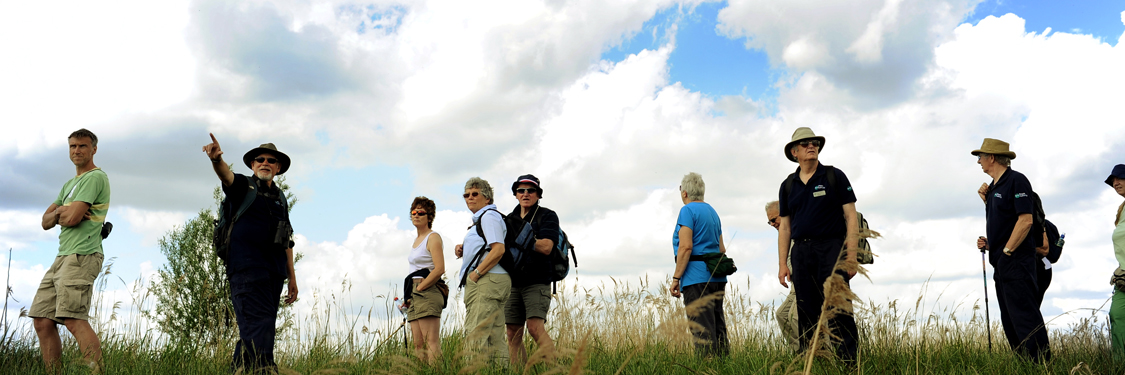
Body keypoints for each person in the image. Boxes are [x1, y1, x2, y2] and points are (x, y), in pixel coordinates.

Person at [203, 134, 299, 372]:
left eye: (270, 160)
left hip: (274, 274)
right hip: (246, 269)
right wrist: (216, 161)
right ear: (252, 165)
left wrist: (292, 278)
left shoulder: (280, 199)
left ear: (277, 168)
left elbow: (287, 239)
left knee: (260, 328)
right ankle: (266, 370)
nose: (265, 163)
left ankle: (238, 371)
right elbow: (226, 176)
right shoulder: (243, 187)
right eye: (260, 159)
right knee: (257, 326)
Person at [775, 127, 860, 361]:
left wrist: (851, 256)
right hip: (801, 252)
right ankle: (815, 363)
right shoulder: (788, 185)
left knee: (839, 309)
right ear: (794, 152)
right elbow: (784, 227)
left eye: (814, 142)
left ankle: (849, 364)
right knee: (806, 312)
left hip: (832, 249)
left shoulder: (834, 176)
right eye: (804, 144)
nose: (811, 146)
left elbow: (851, 217)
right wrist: (783, 264)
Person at [31, 129, 111, 374]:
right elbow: (45, 221)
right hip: (63, 256)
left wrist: (63, 213)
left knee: (73, 319)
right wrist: (58, 214)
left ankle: (96, 372)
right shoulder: (69, 185)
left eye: (83, 146)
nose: (77, 150)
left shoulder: (95, 177)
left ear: (93, 149)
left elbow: (74, 218)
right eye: (73, 146)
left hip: (82, 255)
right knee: (42, 320)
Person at [972, 138, 1050, 363]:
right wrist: (991, 244)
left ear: (992, 158)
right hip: (1002, 262)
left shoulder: (1017, 181)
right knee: (1009, 319)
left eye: (981, 157)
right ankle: (1026, 365)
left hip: (1016, 262)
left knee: (1025, 316)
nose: (979, 162)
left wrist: (1006, 250)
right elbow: (1005, 222)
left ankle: (1042, 365)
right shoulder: (995, 187)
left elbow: (1025, 221)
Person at [669, 172, 729, 357]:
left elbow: (686, 247)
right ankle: (724, 367)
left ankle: (707, 368)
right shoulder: (712, 211)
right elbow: (721, 248)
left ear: (684, 192)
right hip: (716, 276)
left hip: (696, 278)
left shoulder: (687, 211)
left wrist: (676, 278)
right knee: (718, 326)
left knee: (702, 329)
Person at [503, 174, 559, 365]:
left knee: (535, 327)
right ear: (516, 194)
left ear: (538, 194)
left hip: (537, 280)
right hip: (513, 282)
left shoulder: (547, 215)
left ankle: (556, 369)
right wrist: (463, 247)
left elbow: (547, 247)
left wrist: (522, 239)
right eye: (521, 190)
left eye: (531, 190)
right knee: (512, 332)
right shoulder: (509, 219)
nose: (525, 194)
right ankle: (519, 371)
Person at [454, 177, 511, 364]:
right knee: (495, 338)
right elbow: (488, 247)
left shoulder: (488, 216)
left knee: (475, 335)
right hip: (495, 280)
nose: (469, 197)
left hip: (486, 281)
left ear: (487, 198)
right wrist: (464, 249)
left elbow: (498, 249)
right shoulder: (485, 219)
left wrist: (476, 274)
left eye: (474, 193)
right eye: (466, 195)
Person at [404, 196, 446, 364]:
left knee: (431, 342)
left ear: (429, 217)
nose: (416, 215)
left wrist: (421, 288)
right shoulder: (416, 240)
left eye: (421, 212)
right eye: (413, 212)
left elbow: (440, 268)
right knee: (418, 344)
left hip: (427, 290)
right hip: (414, 293)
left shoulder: (433, 237)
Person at [767, 200, 800, 352]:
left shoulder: (799, 229)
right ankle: (798, 352)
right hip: (795, 286)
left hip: (805, 282)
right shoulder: (784, 235)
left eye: (774, 220)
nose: (772, 224)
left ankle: (816, 352)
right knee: (782, 315)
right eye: (770, 222)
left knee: (795, 316)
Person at [1105, 164, 1125, 361]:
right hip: (1123, 276)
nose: (1115, 183)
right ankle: (1120, 366)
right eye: (1113, 181)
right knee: (1117, 315)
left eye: (1120, 178)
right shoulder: (1122, 209)